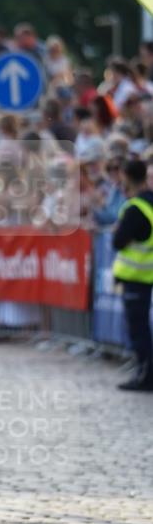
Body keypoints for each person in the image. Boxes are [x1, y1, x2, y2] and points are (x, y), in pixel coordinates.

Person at [112, 159, 153, 392]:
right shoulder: (150, 202)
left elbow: (118, 241)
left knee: (139, 331)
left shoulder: (135, 208)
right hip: (147, 275)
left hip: (137, 276)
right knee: (143, 328)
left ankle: (145, 376)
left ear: (126, 177)